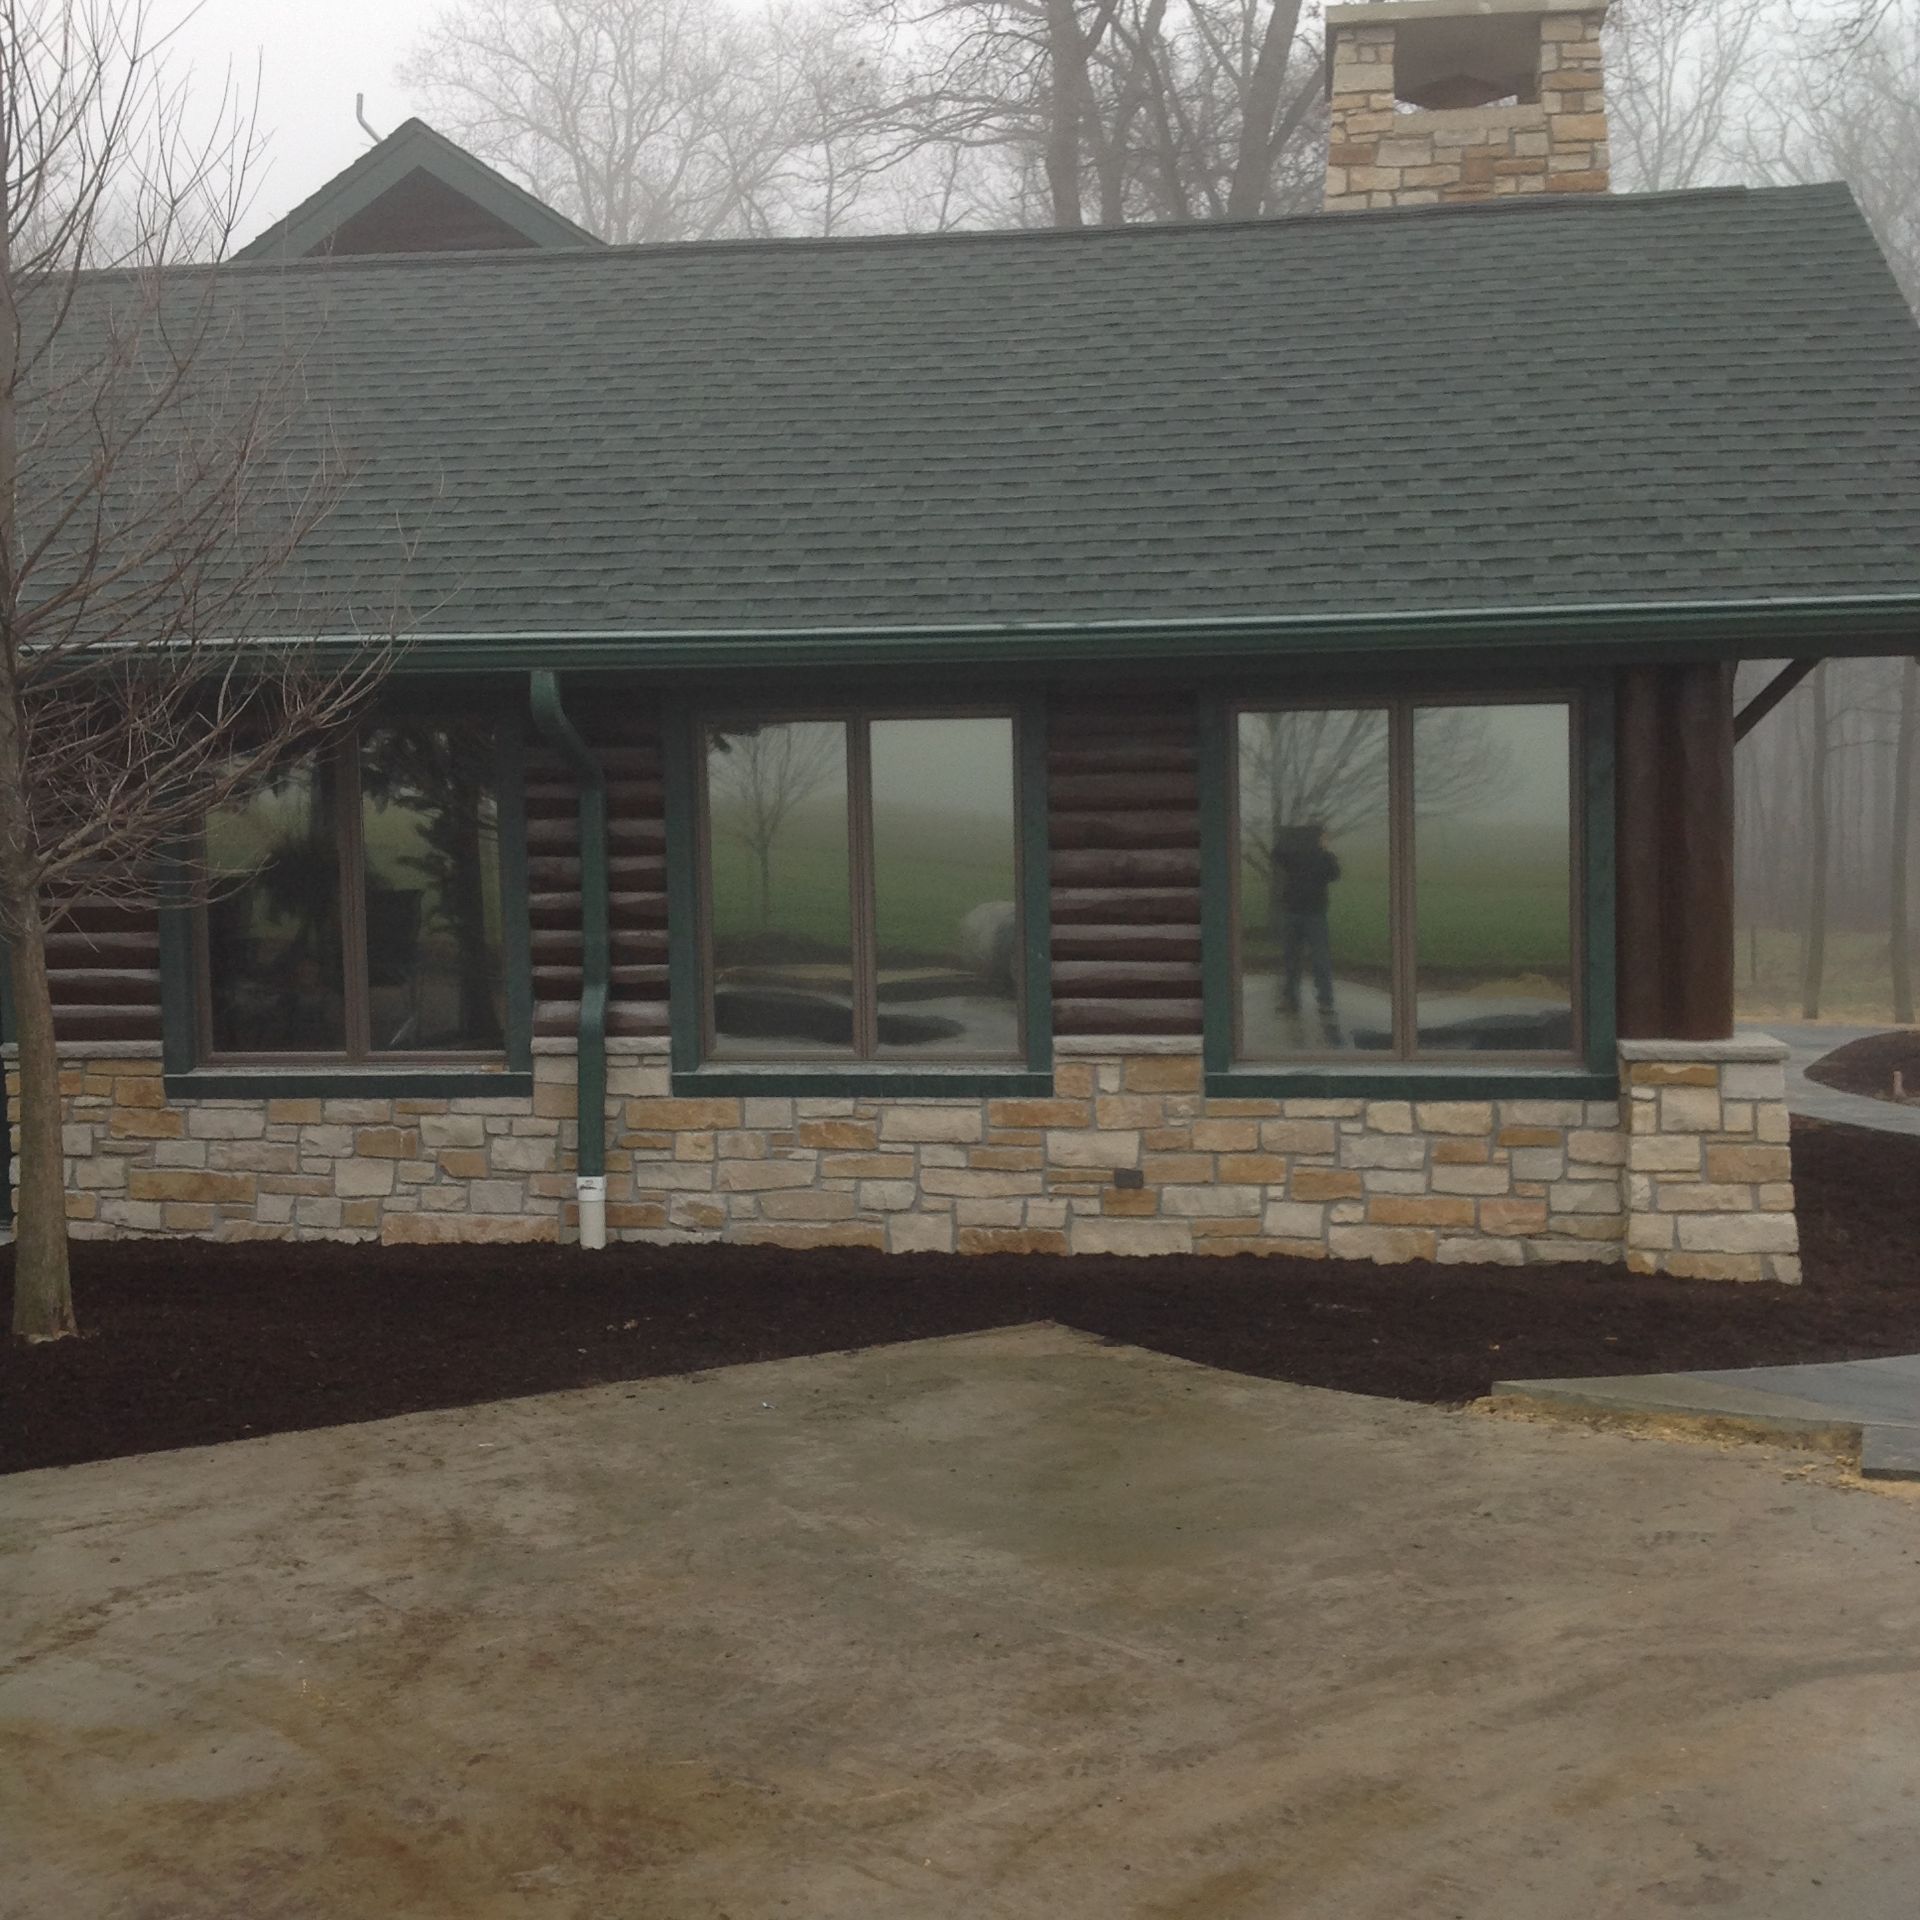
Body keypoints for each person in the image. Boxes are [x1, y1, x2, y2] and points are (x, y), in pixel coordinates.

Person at [1274, 821, 1341, 1039]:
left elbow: (1334, 873)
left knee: (1306, 958)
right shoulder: (1304, 856)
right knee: (1303, 957)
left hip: (1306, 913)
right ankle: (1310, 1001)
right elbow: (1278, 854)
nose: (1326, 839)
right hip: (1305, 914)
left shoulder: (1318, 857)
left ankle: (1320, 1001)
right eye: (1323, 836)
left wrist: (1292, 838)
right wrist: (1293, 839)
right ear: (1317, 837)